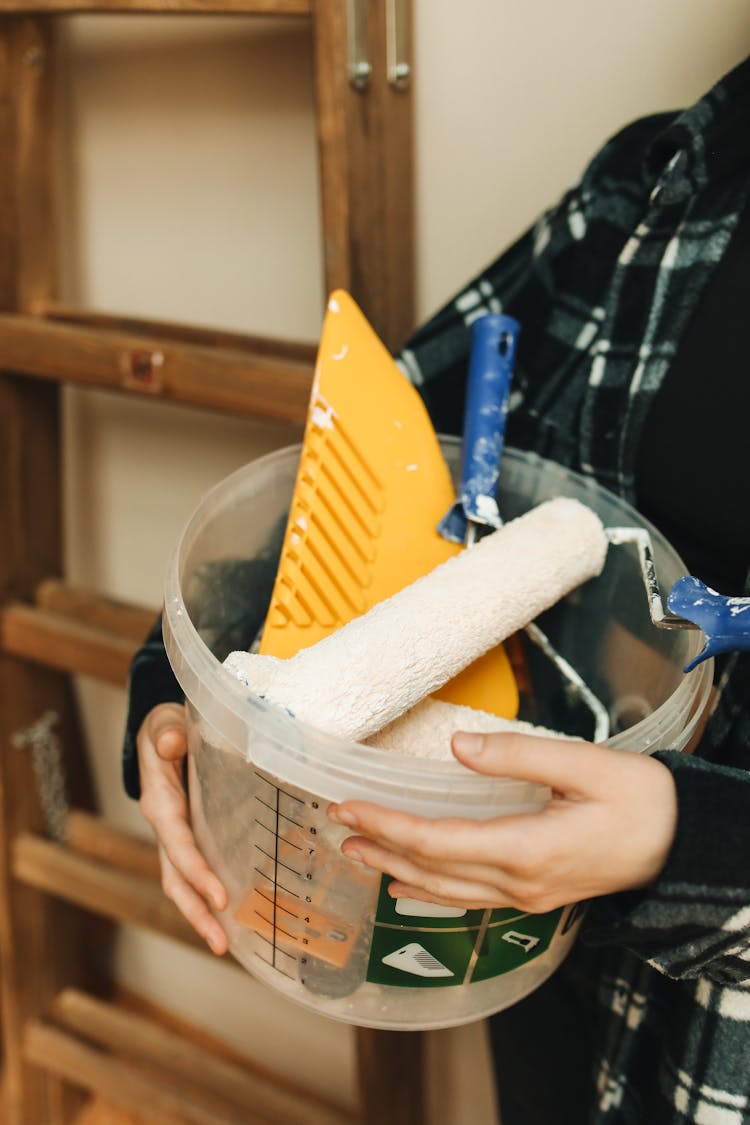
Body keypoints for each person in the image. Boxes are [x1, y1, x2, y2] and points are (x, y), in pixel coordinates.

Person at [124, 55, 750, 1124]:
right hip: (540, 965)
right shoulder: (656, 183)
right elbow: (368, 459)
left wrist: (691, 845)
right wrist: (189, 687)